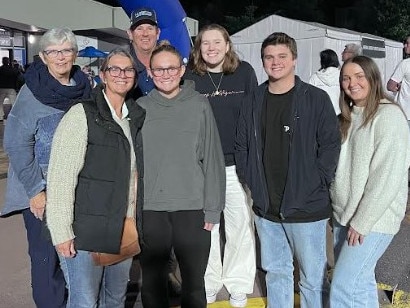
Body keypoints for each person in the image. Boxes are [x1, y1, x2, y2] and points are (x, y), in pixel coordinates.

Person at [235, 32, 340, 308]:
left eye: (282, 56)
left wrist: (315, 182)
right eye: (269, 57)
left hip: (307, 208)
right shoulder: (253, 99)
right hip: (266, 208)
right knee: (277, 273)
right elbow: (242, 146)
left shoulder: (316, 99)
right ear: (262, 61)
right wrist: (252, 184)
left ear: (294, 59)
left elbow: (330, 146)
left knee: (312, 278)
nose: (275, 62)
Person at [46, 47, 145, 307]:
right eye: (115, 69)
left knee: (115, 298)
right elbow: (61, 178)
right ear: (103, 75)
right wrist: (61, 231)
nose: (122, 75)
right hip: (87, 231)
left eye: (128, 70)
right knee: (85, 301)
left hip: (123, 226)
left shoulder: (134, 117)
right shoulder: (82, 114)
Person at [0, 27, 92, 308]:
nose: (61, 57)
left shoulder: (84, 87)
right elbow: (15, 144)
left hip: (74, 189)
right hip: (42, 191)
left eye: (66, 50)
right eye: (53, 51)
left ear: (75, 54)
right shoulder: (32, 93)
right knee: (46, 261)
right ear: (43, 56)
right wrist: (36, 190)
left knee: (73, 257)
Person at [137, 41, 225, 308]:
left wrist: (212, 209)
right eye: (159, 69)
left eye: (171, 68)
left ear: (181, 70)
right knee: (152, 284)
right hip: (152, 210)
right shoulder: (140, 107)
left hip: (192, 208)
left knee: (194, 285)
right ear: (150, 73)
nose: (165, 74)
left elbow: (212, 159)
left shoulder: (199, 105)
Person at [184, 23, 257, 307]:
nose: (211, 48)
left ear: (228, 45)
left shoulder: (244, 73)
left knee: (240, 226)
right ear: (199, 48)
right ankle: (210, 281)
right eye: (206, 43)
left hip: (235, 165)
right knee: (208, 228)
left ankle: (239, 284)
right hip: (203, 167)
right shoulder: (191, 78)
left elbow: (252, 118)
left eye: (217, 42)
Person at [329, 55, 410, 307]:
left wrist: (362, 222)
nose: (352, 83)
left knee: (343, 286)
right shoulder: (346, 117)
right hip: (344, 216)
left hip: (372, 220)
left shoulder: (389, 117)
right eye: (346, 78)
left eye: (359, 76)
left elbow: (387, 177)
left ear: (373, 78)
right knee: (361, 282)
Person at [127, 7, 160, 98]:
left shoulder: (169, 68)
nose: (145, 34)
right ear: (130, 34)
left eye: (150, 28)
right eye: (139, 28)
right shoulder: (123, 69)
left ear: (158, 34)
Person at [309, 49, 341, 115]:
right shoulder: (342, 76)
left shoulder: (315, 77)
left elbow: (310, 98)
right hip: (339, 114)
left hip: (320, 114)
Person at [387, 57, 410, 126]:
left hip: (404, 113)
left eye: (407, 45)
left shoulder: (406, 64)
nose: (405, 46)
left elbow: (390, 86)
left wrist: (398, 87)